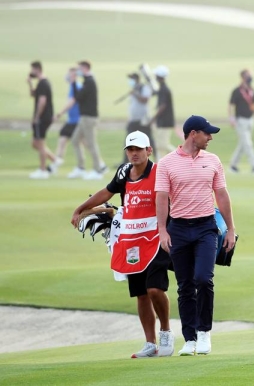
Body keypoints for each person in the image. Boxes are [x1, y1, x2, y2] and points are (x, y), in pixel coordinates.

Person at [70, 131, 175, 358]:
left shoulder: (159, 172)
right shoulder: (123, 172)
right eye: (130, 149)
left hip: (157, 238)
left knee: (155, 288)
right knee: (141, 294)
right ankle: (150, 342)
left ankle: (166, 331)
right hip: (131, 239)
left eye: (139, 149)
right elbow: (107, 192)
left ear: (149, 150)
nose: (134, 153)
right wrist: (80, 208)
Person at [156, 115, 236, 356]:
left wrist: (231, 229)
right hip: (178, 229)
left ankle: (204, 333)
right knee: (185, 286)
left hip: (206, 228)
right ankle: (189, 339)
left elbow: (221, 195)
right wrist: (162, 231)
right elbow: (161, 198)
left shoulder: (213, 160)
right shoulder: (167, 163)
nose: (210, 137)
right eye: (206, 133)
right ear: (193, 134)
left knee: (203, 278)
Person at [65, 60, 108, 180]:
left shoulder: (90, 81)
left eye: (79, 68)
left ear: (85, 68)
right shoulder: (86, 82)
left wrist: (73, 82)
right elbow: (78, 96)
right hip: (83, 117)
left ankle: (98, 170)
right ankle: (81, 167)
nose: (78, 71)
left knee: (91, 143)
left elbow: (77, 97)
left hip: (89, 118)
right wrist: (74, 83)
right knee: (75, 140)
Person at [228, 69, 254, 174]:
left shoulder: (251, 90)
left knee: (243, 144)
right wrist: (231, 119)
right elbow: (230, 105)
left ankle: (233, 165)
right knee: (247, 143)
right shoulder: (237, 91)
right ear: (243, 77)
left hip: (250, 120)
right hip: (240, 120)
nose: (250, 78)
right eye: (249, 76)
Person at [27, 61, 57, 179]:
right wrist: (30, 84)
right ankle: (55, 160)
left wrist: (37, 116)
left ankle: (43, 170)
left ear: (38, 69)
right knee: (35, 143)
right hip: (42, 116)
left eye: (32, 69)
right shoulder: (40, 83)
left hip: (43, 117)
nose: (31, 72)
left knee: (40, 143)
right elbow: (34, 95)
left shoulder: (44, 83)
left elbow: (42, 101)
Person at [51, 67, 82, 173]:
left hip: (77, 120)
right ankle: (55, 164)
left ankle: (98, 166)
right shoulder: (72, 87)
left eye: (70, 74)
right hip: (71, 120)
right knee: (62, 140)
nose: (68, 76)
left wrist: (59, 114)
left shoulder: (76, 87)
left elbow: (71, 102)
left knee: (85, 144)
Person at [122, 73, 155, 165]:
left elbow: (145, 100)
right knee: (128, 140)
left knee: (150, 140)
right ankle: (125, 162)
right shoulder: (135, 89)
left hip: (143, 120)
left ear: (136, 79)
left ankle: (157, 158)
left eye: (131, 79)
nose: (130, 81)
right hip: (133, 120)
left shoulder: (144, 88)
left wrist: (135, 94)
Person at [150, 65, 176, 160]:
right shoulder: (162, 88)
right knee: (160, 145)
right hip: (163, 121)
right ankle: (161, 164)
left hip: (165, 122)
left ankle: (183, 156)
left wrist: (153, 119)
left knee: (162, 145)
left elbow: (162, 106)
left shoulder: (164, 89)